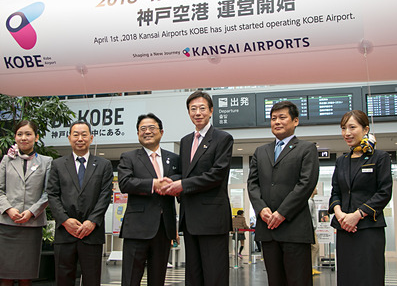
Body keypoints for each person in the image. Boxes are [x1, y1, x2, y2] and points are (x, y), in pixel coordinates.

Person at [162, 90, 234, 286]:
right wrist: (169, 181)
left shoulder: (222, 138)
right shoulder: (185, 141)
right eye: (193, 109)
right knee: (193, 275)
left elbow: (216, 175)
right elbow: (187, 173)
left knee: (214, 275)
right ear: (188, 113)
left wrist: (182, 185)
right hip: (190, 216)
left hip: (212, 218)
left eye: (202, 108)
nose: (198, 112)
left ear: (211, 111)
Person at [247, 101, 319, 286]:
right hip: (268, 228)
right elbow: (252, 184)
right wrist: (261, 209)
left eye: (282, 117)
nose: (277, 122)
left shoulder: (306, 149)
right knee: (275, 280)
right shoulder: (261, 151)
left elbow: (306, 184)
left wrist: (282, 213)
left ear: (295, 121)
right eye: (273, 118)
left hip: (294, 229)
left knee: (298, 280)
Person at [328, 110, 392, 286]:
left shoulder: (380, 158)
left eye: (352, 127)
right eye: (343, 128)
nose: (346, 133)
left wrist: (357, 215)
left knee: (369, 276)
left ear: (365, 129)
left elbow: (384, 193)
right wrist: (340, 214)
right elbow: (335, 192)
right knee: (347, 277)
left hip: (368, 228)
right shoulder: (342, 160)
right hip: (344, 229)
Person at [47, 120, 113, 286]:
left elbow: (105, 195)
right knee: (63, 278)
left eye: (84, 135)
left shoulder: (104, 165)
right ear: (69, 138)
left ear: (91, 138)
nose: (80, 138)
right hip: (65, 232)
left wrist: (92, 222)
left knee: (92, 279)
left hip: (92, 233)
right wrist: (65, 220)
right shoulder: (57, 164)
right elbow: (52, 195)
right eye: (75, 134)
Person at [118, 113, 181, 286]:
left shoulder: (174, 158)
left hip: (164, 228)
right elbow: (125, 183)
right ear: (138, 133)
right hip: (137, 228)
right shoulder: (129, 157)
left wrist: (171, 183)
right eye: (142, 129)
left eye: (152, 128)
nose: (147, 132)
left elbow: (181, 179)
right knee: (131, 278)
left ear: (161, 132)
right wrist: (154, 184)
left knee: (158, 278)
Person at [0, 120, 52, 286]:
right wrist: (9, 209)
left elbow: (48, 192)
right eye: (20, 134)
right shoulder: (6, 160)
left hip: (31, 225)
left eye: (28, 134)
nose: (24, 138)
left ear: (36, 137)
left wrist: (31, 212)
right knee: (5, 275)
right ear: (15, 137)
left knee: (26, 275)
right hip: (6, 224)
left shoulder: (46, 162)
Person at [308, 188, 321, 275]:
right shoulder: (309, 201)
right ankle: (310, 268)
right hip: (310, 229)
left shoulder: (311, 201)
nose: (316, 189)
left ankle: (310, 268)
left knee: (314, 248)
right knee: (315, 247)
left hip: (311, 228)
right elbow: (309, 216)